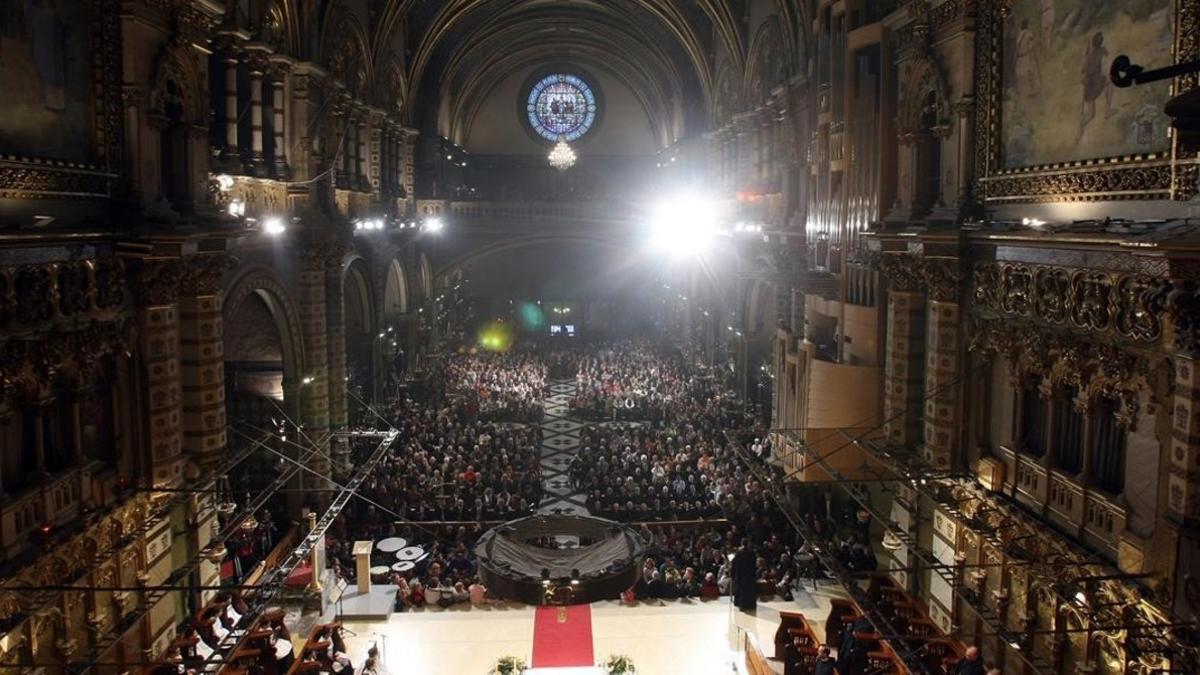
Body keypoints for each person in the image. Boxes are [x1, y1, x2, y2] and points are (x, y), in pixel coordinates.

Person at [731, 538, 757, 612]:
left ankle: (741, 605)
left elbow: (735, 564)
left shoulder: (738, 553)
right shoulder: (752, 553)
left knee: (742, 591)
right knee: (749, 591)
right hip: (749, 575)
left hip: (741, 575)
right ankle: (750, 605)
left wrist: (733, 574)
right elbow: (754, 564)